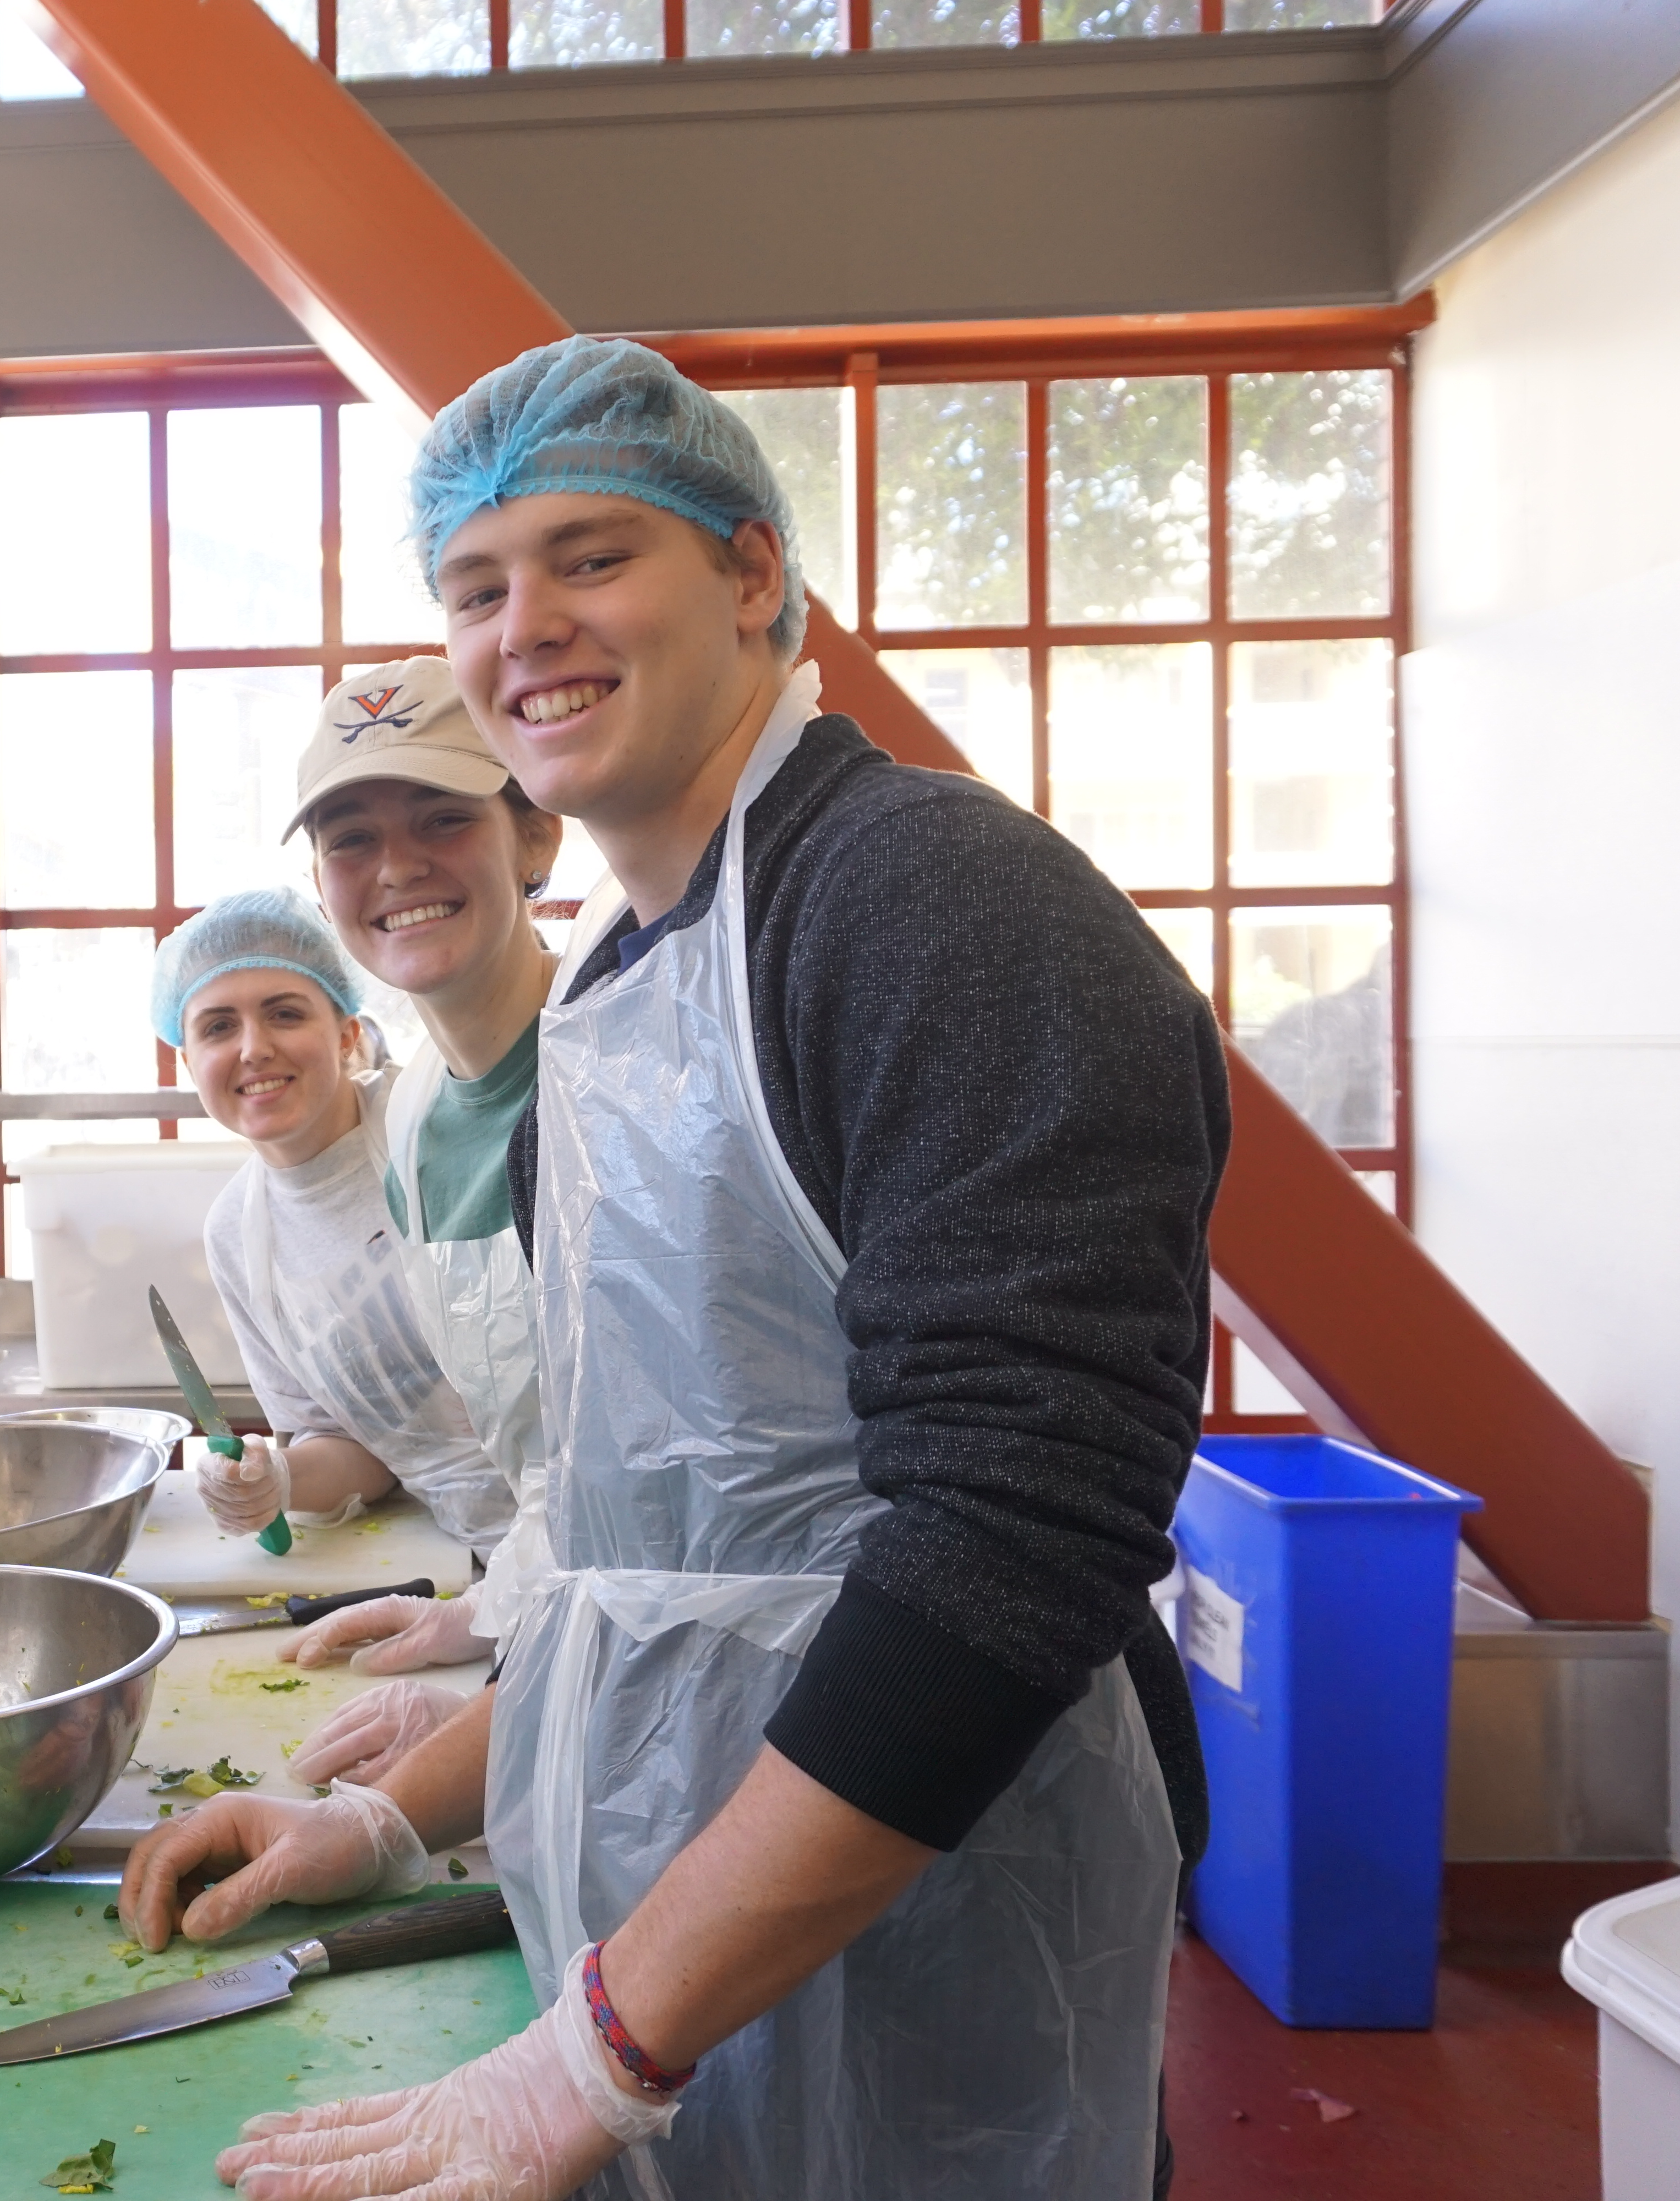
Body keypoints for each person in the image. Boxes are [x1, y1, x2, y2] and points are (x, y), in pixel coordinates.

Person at [119, 337, 1224, 2201]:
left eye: (592, 557)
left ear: (755, 578)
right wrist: (387, 1821)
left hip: (938, 1913)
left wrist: (590, 2059)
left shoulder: (933, 908)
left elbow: (1007, 1552)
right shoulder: (633, 995)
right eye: (477, 586)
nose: (524, 625)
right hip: (685, 1948)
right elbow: (651, 1575)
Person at [272, 655, 585, 1785]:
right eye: (350, 838)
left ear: (535, 836)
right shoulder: (409, 1120)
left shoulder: (615, 1071)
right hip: (564, 1658)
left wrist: (469, 1741)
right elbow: (552, 1468)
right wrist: (484, 1618)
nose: (397, 867)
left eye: (443, 818)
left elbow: (662, 1502)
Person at [150, 892, 512, 1556]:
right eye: (218, 1027)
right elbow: (362, 1444)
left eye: (285, 1014)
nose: (253, 1049)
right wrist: (276, 1480)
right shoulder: (237, 1233)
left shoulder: (433, 1125)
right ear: (189, 1060)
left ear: (347, 1034)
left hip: (603, 1529)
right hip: (472, 1558)